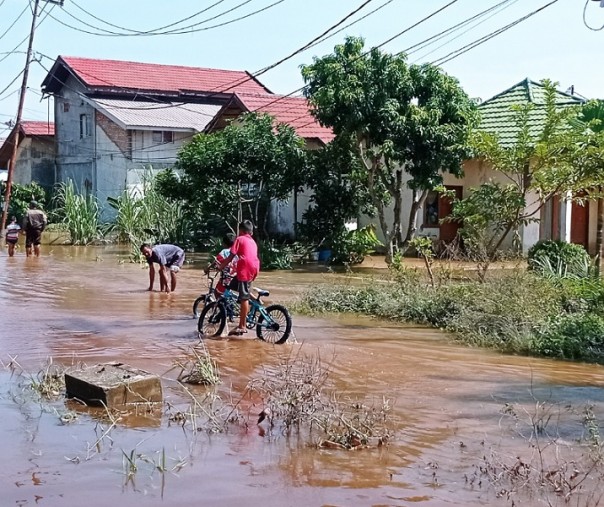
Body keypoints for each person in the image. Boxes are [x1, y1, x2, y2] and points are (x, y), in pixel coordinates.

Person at [215, 220, 260, 336]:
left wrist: (220, 267)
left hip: (245, 269)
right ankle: (255, 300)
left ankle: (242, 326)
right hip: (254, 268)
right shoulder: (253, 242)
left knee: (243, 297)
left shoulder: (239, 239)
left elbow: (230, 256)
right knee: (234, 286)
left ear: (240, 230)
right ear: (251, 232)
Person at [206, 233, 239, 297]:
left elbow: (215, 263)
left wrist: (207, 269)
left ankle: (219, 306)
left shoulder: (224, 252)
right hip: (237, 277)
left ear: (224, 243)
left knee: (217, 292)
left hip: (226, 279)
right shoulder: (237, 252)